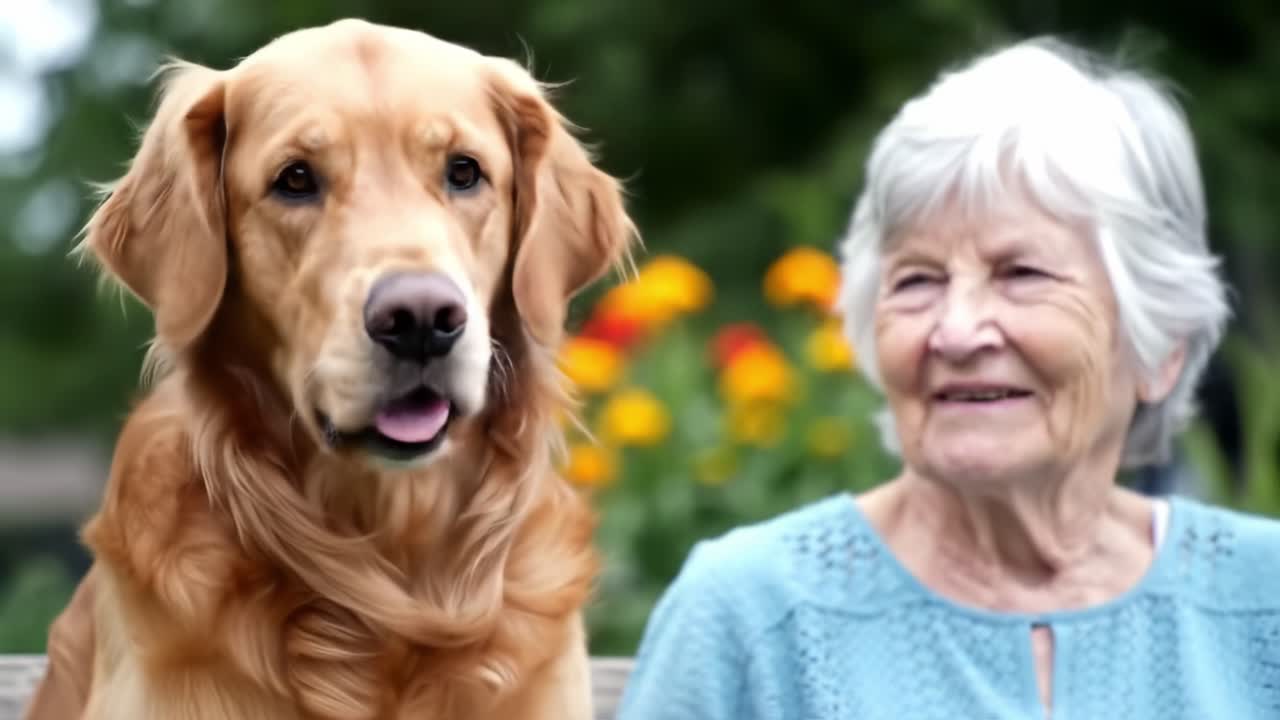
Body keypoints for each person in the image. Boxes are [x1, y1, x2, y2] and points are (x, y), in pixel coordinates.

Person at [616, 36, 1280, 719]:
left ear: (1159, 343)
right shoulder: (751, 615)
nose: (956, 331)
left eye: (1021, 274)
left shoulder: (1264, 604)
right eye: (918, 280)